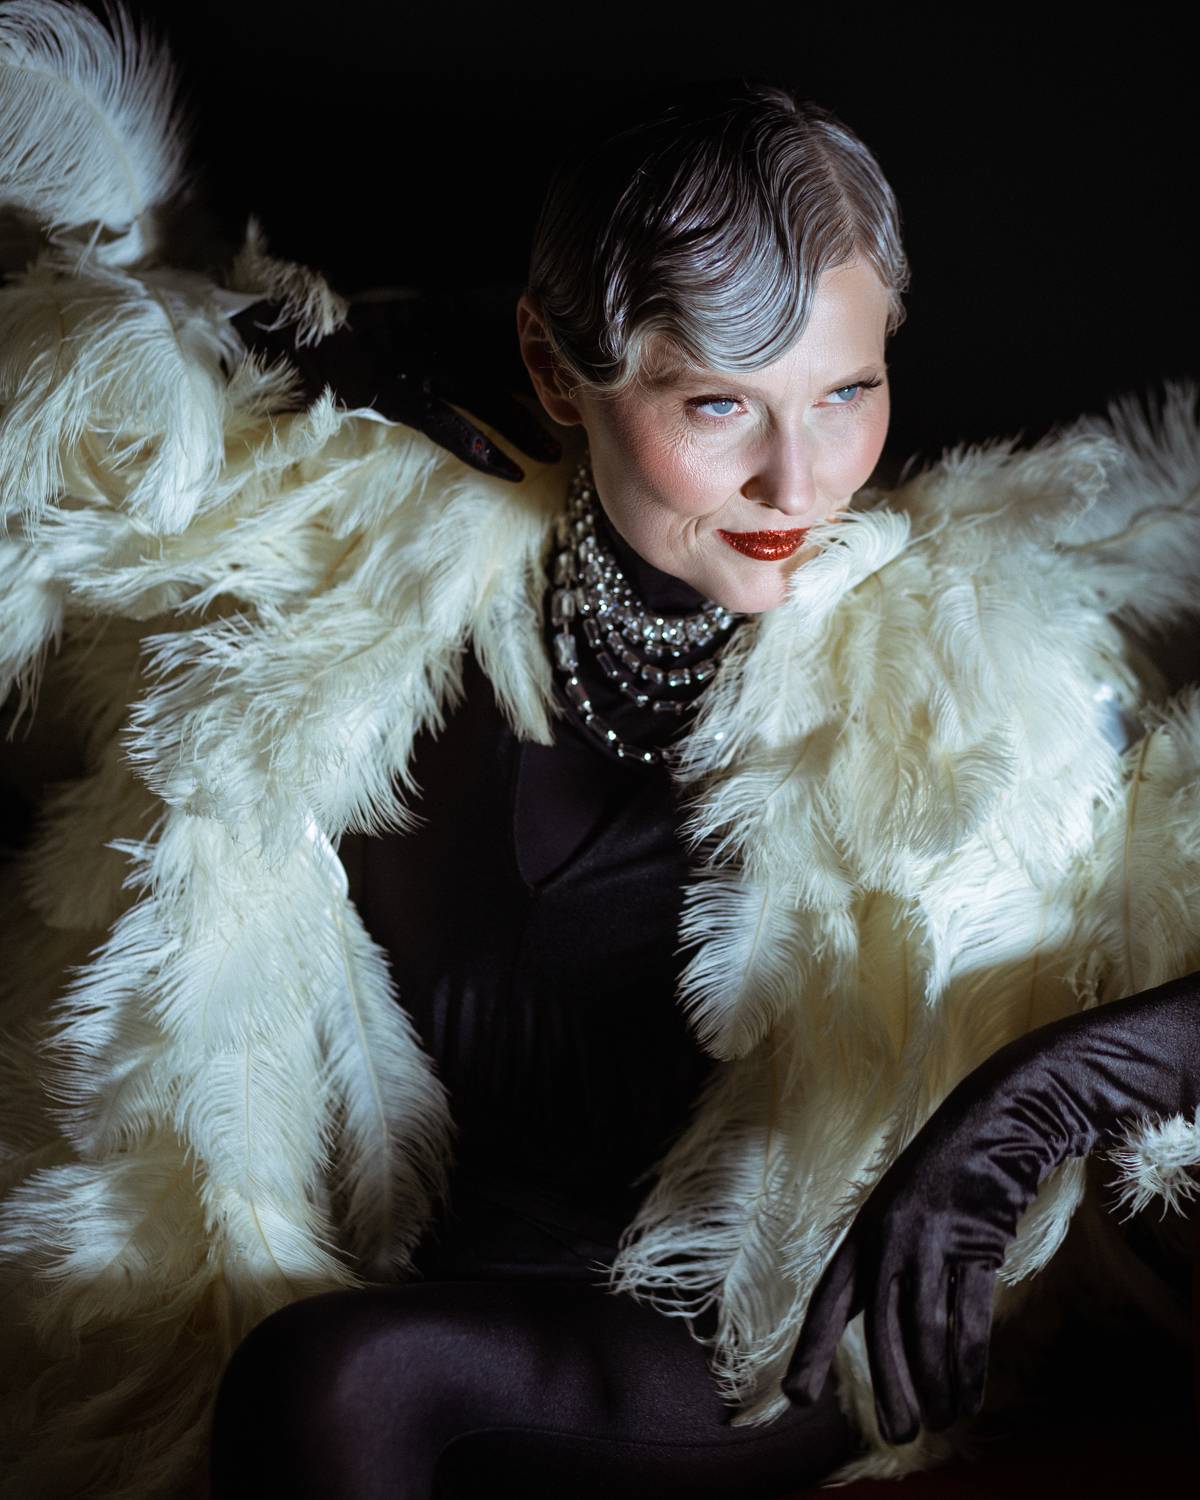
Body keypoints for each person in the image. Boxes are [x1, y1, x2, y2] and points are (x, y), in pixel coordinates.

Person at [0, 5, 1197, 1498]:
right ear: (553, 366)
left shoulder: (983, 680)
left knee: (344, 1378)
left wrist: (1033, 1103)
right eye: (718, 404)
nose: (797, 480)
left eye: (846, 392)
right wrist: (231, 355)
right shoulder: (350, 564)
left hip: (740, 1345)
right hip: (381, 1289)